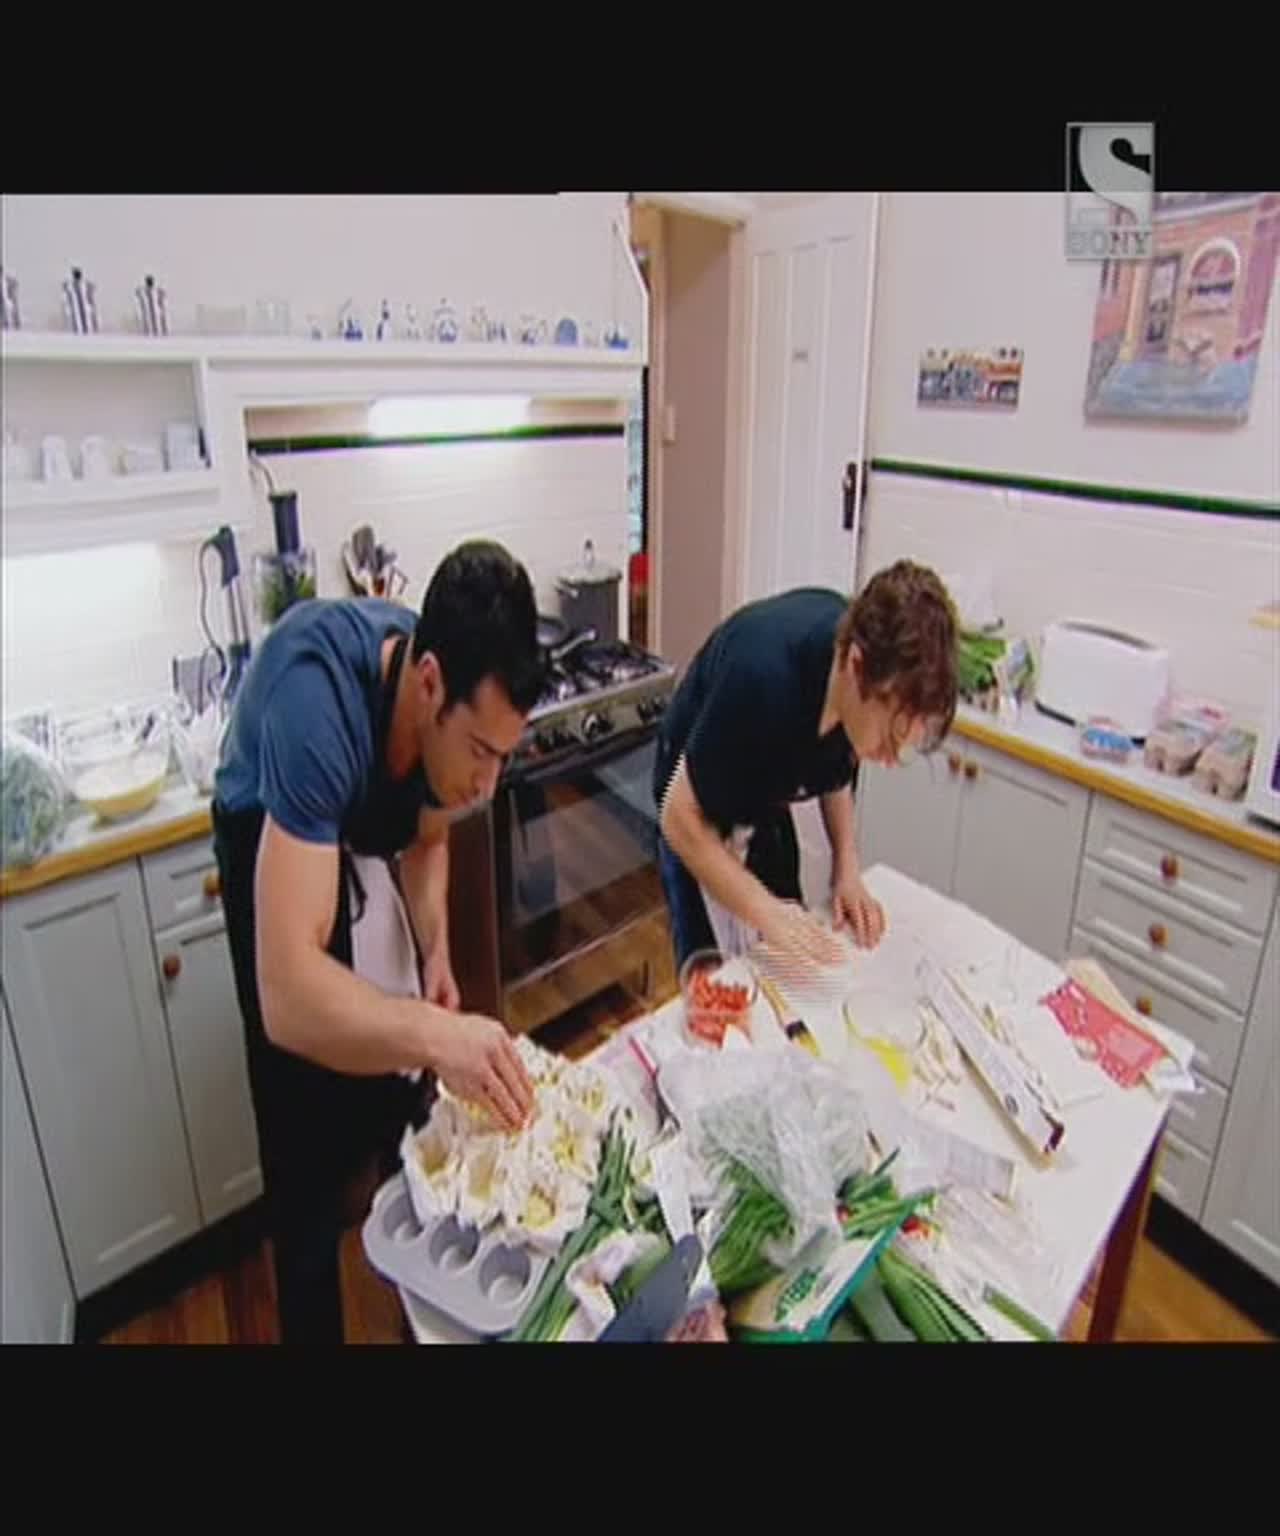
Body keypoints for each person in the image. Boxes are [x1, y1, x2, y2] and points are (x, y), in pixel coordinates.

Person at [212, 540, 543, 1344]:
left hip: (357, 827)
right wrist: (436, 1034)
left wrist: (435, 951)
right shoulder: (314, 703)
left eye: (504, 757)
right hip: (271, 836)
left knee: (403, 1100)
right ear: (428, 684)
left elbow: (426, 832)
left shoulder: (444, 703)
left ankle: (421, 1313)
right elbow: (289, 993)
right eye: (481, 752)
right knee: (304, 1150)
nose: (488, 784)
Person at [653, 560, 959, 970]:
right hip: (691, 800)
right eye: (887, 739)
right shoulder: (761, 678)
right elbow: (678, 817)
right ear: (855, 666)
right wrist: (762, 908)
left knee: (789, 955)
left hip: (764, 797)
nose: (889, 760)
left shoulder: (862, 686)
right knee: (715, 979)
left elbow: (836, 772)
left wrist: (846, 867)